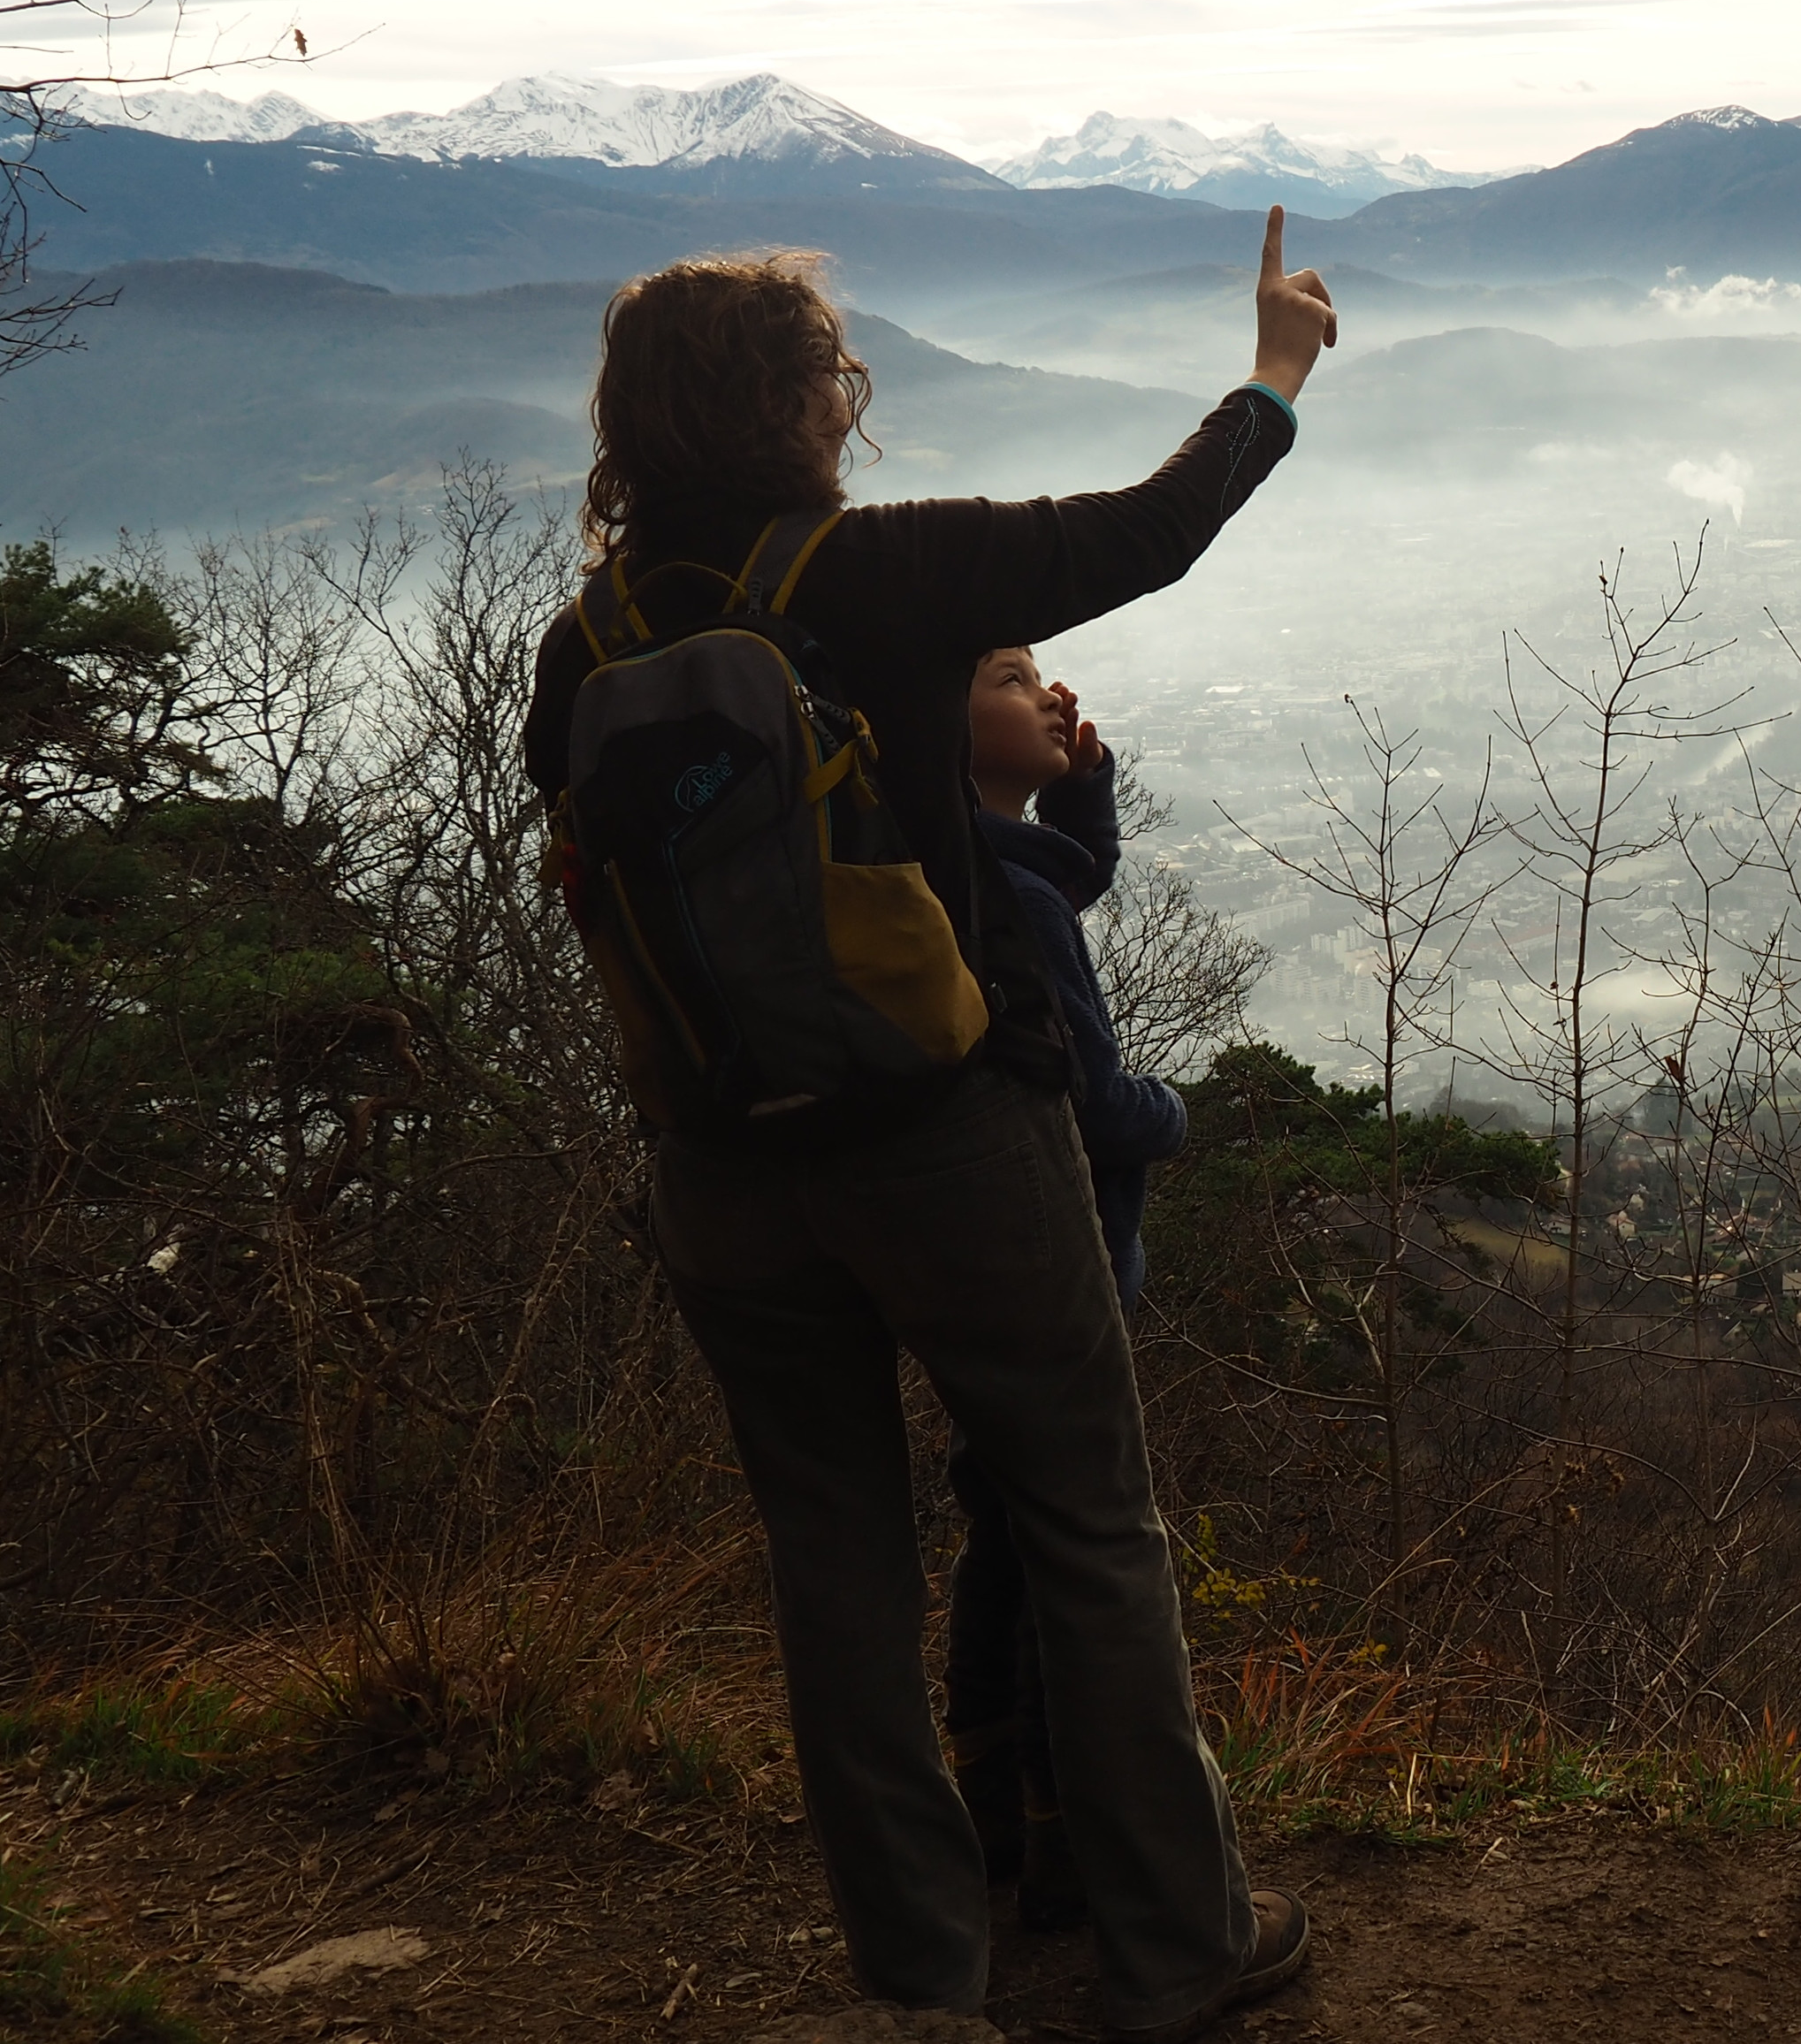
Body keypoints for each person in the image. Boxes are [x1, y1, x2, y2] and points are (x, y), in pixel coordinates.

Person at [520, 211, 1336, 2044]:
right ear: (813, 403)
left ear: (628, 431)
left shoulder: (589, 647)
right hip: (949, 1136)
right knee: (1083, 1523)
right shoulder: (879, 574)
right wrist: (1275, 372)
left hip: (722, 1166)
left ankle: (918, 1986)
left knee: (835, 1571)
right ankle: (1174, 1946)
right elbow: (1147, 531)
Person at [945, 652, 1187, 1933]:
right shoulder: (1011, 899)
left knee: (1003, 1529)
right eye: (1006, 675)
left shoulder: (955, 854)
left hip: (970, 1251)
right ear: (940, 714)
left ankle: (985, 1808)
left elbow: (1066, 870)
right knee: (1067, 1553)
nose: (1049, 694)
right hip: (1060, 1254)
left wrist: (1083, 788)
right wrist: (1176, 1109)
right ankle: (1064, 1843)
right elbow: (1099, 1108)